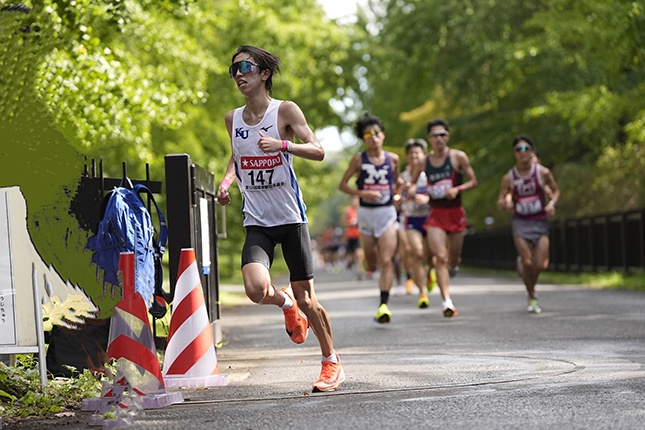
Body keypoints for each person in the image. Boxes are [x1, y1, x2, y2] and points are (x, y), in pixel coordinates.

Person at [216, 45, 344, 392]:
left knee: (309, 299)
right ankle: (284, 303)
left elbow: (317, 150)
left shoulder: (284, 110)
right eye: (234, 70)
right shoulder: (233, 119)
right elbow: (236, 156)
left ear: (264, 74)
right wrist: (226, 182)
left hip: (290, 219)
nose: (239, 74)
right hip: (257, 219)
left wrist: (283, 146)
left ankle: (330, 362)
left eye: (245, 67)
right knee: (256, 289)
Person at [410, 118, 478, 317]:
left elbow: (473, 181)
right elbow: (413, 184)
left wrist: (457, 189)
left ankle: (455, 265)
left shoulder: (458, 157)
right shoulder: (424, 162)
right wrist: (417, 194)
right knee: (440, 257)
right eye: (434, 135)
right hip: (436, 215)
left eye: (442, 135)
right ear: (429, 138)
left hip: (455, 213)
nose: (439, 139)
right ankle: (447, 301)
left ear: (447, 137)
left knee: (452, 258)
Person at [338, 113, 401, 323]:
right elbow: (343, 184)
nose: (373, 137)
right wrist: (362, 194)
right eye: (368, 134)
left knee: (386, 260)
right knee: (372, 261)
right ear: (363, 139)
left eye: (376, 133)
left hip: (387, 213)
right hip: (365, 214)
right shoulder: (358, 160)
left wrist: (398, 194)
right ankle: (369, 265)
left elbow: (398, 181)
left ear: (383, 135)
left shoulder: (393, 159)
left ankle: (383, 305)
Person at [497, 135, 560, 313]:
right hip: (520, 223)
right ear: (514, 154)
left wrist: (551, 204)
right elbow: (501, 198)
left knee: (540, 264)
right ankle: (532, 295)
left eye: (526, 149)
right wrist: (505, 203)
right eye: (518, 150)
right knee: (528, 261)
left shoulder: (543, 172)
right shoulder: (509, 177)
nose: (522, 153)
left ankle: (528, 279)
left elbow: (555, 191)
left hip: (540, 222)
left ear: (532, 151)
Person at [398, 138, 435, 308]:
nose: (414, 156)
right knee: (417, 253)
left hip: (431, 217)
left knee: (431, 255)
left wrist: (426, 198)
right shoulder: (403, 177)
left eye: (418, 153)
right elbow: (397, 198)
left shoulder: (430, 174)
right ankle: (422, 293)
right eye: (411, 153)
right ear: (407, 157)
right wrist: (398, 198)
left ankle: (431, 271)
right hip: (411, 218)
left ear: (424, 155)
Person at [342, 195, 365, 280]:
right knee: (351, 256)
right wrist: (350, 223)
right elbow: (342, 222)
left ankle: (359, 272)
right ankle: (350, 262)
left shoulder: (362, 210)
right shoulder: (347, 210)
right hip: (350, 236)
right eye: (353, 200)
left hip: (359, 235)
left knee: (360, 254)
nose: (355, 201)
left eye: (357, 200)